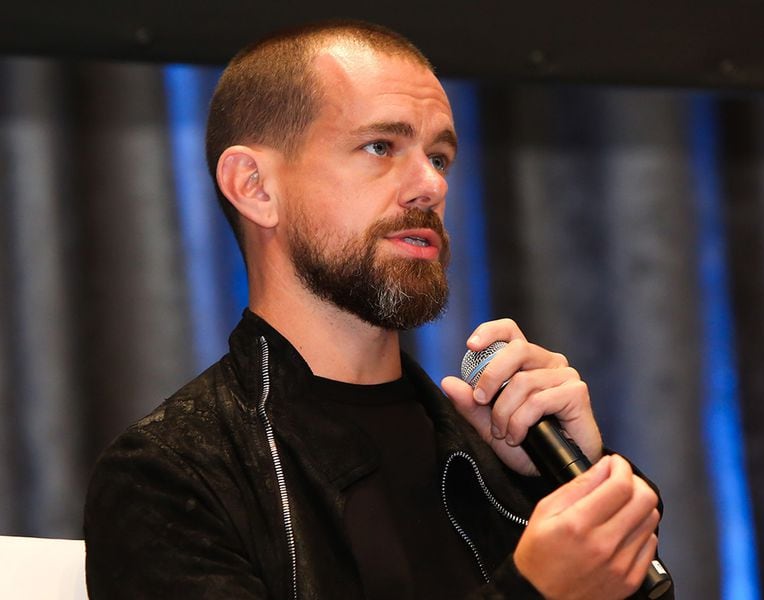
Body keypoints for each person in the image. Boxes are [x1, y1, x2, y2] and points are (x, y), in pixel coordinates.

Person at [84, 20, 672, 600]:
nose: (431, 186)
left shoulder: (500, 455)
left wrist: (580, 477)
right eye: (381, 147)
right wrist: (537, 592)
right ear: (255, 187)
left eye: (439, 157)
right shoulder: (172, 474)